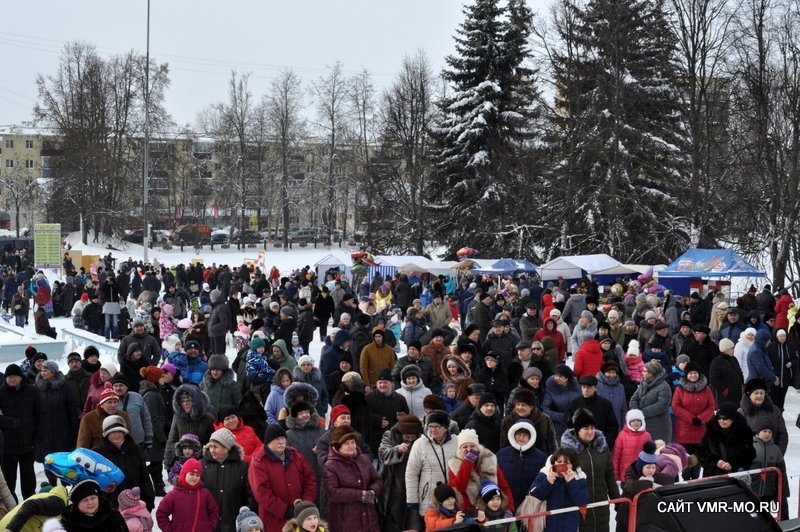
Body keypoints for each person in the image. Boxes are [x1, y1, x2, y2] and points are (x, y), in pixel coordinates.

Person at [560, 409, 620, 532]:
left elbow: (609, 476)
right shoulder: (567, 451)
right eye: (586, 428)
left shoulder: (602, 448)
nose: (590, 431)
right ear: (577, 430)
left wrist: (617, 500)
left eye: (592, 428)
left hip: (600, 505)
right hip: (578, 506)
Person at [249, 424, 317, 531]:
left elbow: (310, 479)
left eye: (283, 438)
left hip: (299, 516)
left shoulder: (296, 455)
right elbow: (261, 492)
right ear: (268, 442)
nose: (281, 442)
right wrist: (284, 510)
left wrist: (305, 505)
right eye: (276, 439)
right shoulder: (259, 461)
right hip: (273, 519)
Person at [323, 426, 383, 531]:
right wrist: (361, 495)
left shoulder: (364, 459)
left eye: (353, 442)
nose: (351, 446)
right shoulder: (330, 465)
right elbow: (333, 492)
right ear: (338, 446)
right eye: (347, 443)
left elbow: (377, 480)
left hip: (369, 517)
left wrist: (373, 491)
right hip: (346, 520)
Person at [405, 409, 459, 520]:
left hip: (453, 497)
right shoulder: (420, 444)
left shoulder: (457, 441)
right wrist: (412, 499)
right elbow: (411, 473)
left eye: (437, 426)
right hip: (429, 498)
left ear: (445, 427)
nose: (433, 430)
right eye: (430, 426)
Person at [92, 415, 155, 511]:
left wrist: (149, 500)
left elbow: (144, 476)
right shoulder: (98, 452)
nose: (116, 435)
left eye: (119, 431)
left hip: (134, 501)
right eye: (113, 432)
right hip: (109, 505)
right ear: (106, 434)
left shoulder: (135, 449)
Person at [202, 428, 256, 532]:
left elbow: (250, 495)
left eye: (215, 447)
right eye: (210, 446)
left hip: (234, 522)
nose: (212, 450)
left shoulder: (243, 466)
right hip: (209, 522)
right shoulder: (202, 465)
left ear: (226, 448)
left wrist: (246, 514)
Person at [447, 428, 514, 511]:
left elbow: (503, 487)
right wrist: (467, 463)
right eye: (464, 447)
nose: (469, 449)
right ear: (460, 449)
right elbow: (457, 490)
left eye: (472, 446)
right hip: (468, 512)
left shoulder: (489, 460)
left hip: (491, 511)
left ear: (477, 447)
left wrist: (509, 508)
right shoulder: (454, 464)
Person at [35, 361, 78, 486]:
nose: (42, 373)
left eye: (45, 370)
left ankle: (66, 486)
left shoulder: (64, 387)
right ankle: (52, 485)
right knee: (47, 461)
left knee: (63, 462)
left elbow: (72, 410)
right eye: (42, 370)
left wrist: (73, 432)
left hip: (62, 432)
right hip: (44, 433)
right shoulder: (37, 387)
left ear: (53, 372)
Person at [616, 440, 674, 531]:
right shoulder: (631, 472)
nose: (651, 470)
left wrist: (654, 479)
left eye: (653, 467)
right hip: (625, 517)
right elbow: (631, 486)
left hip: (643, 518)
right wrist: (649, 482)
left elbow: (670, 479)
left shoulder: (654, 475)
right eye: (647, 467)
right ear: (640, 467)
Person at [378, 414, 423, 532]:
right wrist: (397, 450)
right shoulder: (389, 435)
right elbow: (383, 454)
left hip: (414, 484)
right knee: (393, 517)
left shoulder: (421, 439)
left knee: (413, 520)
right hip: (393, 483)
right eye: (407, 437)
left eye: (413, 437)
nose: (409, 440)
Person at [528, 446, 590, 532]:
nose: (562, 465)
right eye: (559, 462)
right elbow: (534, 494)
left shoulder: (579, 477)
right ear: (554, 462)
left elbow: (583, 501)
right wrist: (548, 482)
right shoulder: (545, 474)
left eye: (567, 463)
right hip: (546, 526)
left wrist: (571, 482)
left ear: (573, 465)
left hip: (568, 526)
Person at [0, 363, 38, 500]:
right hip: (8, 448)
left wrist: (37, 438)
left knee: (28, 482)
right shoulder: (1, 393)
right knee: (9, 483)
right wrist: (9, 422)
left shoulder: (32, 392)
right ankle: (13, 510)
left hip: (28, 445)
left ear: (21, 377)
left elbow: (40, 415)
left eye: (15, 376)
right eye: (9, 376)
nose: (12, 379)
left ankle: (30, 505)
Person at [671, 361, 715, 478]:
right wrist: (691, 418)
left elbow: (711, 406)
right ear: (686, 375)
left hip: (701, 429)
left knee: (699, 457)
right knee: (686, 457)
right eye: (690, 373)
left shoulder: (707, 389)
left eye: (695, 373)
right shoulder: (680, 389)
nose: (693, 375)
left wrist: (701, 418)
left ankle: (695, 478)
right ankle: (686, 479)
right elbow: (676, 406)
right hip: (684, 430)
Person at [156, 458, 219, 532]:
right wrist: (170, 529)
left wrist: (209, 527)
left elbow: (214, 511)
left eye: (198, 475)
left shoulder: (205, 493)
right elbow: (161, 514)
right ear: (183, 474)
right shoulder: (173, 495)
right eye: (191, 474)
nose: (194, 478)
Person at [496, 420, 547, 509]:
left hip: (530, 505)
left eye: (525, 434)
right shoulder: (501, 454)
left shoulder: (541, 457)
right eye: (519, 434)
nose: (521, 437)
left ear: (531, 437)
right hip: (505, 504)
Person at [695, 402, 756, 477]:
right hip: (713, 475)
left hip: (736, 476)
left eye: (725, 418)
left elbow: (750, 454)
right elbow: (701, 451)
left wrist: (733, 464)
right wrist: (716, 461)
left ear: (733, 418)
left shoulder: (744, 431)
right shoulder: (712, 430)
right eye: (719, 418)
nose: (721, 421)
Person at [164, 384, 216, 467]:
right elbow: (172, 440)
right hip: (181, 461)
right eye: (182, 401)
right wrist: (179, 454)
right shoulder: (177, 417)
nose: (185, 404)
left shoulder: (208, 418)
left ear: (196, 402)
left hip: (202, 462)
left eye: (188, 401)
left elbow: (213, 442)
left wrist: (200, 455)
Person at [750, 418, 789, 521]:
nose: (767, 434)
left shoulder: (775, 450)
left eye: (770, 432)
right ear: (758, 432)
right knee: (751, 516)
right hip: (752, 490)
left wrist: (784, 489)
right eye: (764, 431)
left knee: (764, 517)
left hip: (768, 491)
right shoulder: (750, 447)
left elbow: (782, 471)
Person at [564, 375, 619, 449]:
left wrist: (605, 444)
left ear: (595, 388)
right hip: (578, 447)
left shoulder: (605, 404)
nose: (586, 390)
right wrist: (574, 444)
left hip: (599, 446)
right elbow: (568, 426)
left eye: (589, 387)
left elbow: (612, 427)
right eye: (583, 387)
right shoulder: (574, 403)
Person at [739, 378, 788, 455]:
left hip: (772, 457)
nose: (759, 396)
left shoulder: (775, 411)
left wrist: (778, 454)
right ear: (749, 394)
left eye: (762, 393)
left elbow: (782, 435)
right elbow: (736, 437)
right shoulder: (740, 413)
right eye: (756, 393)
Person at [76, 383, 132, 449]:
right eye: (109, 402)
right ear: (102, 404)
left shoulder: (123, 416)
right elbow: (82, 444)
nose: (113, 405)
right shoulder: (88, 419)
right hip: (97, 456)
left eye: (115, 402)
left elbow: (129, 439)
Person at [629, 360, 673, 442]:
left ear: (651, 373)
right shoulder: (643, 384)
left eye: (645, 371)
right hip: (643, 425)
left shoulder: (664, 387)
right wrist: (636, 412)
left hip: (659, 427)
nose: (642, 373)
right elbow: (634, 399)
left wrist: (641, 413)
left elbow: (661, 405)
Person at [60, 479, 127, 531]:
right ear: (77, 504)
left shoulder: (114, 515)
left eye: (93, 498)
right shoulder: (67, 525)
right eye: (85, 500)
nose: (90, 502)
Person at [541, 364, 580, 440]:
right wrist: (561, 417)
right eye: (556, 375)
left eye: (560, 376)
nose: (556, 378)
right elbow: (545, 407)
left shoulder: (576, 387)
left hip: (574, 423)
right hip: (558, 425)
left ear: (567, 378)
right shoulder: (551, 387)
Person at [613, 409, 652, 482]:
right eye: (633, 421)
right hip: (625, 475)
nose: (636, 423)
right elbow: (616, 457)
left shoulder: (647, 436)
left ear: (642, 421)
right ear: (629, 422)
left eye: (638, 420)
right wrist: (615, 475)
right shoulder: (622, 435)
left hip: (641, 475)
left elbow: (650, 457)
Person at [709, 337, 744, 408]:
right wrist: (723, 389)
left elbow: (739, 372)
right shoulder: (717, 362)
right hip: (725, 396)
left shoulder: (734, 359)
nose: (734, 351)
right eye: (731, 348)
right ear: (725, 350)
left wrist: (741, 383)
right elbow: (713, 379)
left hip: (737, 394)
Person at [767, 328, 797, 409]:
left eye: (784, 336)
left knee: (782, 398)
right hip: (775, 377)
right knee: (774, 398)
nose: (782, 338)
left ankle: (780, 415)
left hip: (786, 377)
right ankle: (774, 414)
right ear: (777, 337)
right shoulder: (771, 347)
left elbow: (796, 359)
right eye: (780, 336)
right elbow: (767, 360)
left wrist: (791, 363)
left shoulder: (790, 346)